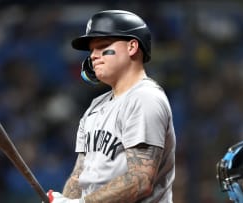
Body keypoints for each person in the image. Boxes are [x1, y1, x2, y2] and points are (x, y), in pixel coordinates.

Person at [46, 10, 176, 203]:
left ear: (132, 47)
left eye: (103, 46)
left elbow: (140, 180)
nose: (93, 56)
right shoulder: (95, 106)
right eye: (91, 50)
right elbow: (79, 176)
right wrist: (64, 200)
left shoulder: (145, 98)